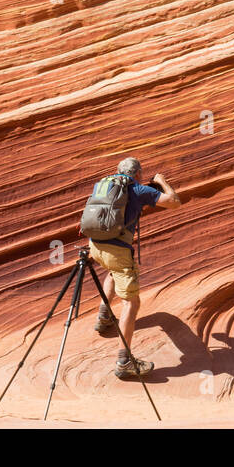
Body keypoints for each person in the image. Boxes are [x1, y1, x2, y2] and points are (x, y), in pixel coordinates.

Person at [88, 157, 180, 379]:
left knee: (112, 271)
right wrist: (161, 181)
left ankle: (104, 317)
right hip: (118, 250)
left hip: (95, 245)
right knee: (131, 302)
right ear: (137, 174)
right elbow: (174, 202)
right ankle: (124, 361)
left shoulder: (103, 183)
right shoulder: (137, 189)